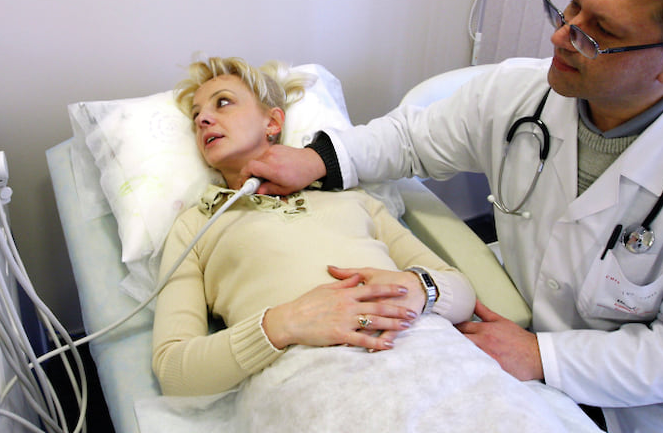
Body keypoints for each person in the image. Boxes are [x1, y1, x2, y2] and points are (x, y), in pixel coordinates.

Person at [242, 0, 663, 433]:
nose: (561, 36)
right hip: (508, 342)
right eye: (571, 7)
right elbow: (411, 140)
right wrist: (319, 160)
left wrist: (543, 356)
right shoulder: (520, 94)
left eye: (601, 33)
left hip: (640, 409)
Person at [147, 57, 599, 432]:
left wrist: (421, 289)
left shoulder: (352, 200)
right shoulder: (197, 226)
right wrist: (283, 323)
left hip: (430, 352)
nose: (203, 119)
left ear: (273, 122)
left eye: (223, 102)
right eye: (196, 116)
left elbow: (459, 292)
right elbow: (174, 370)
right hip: (309, 380)